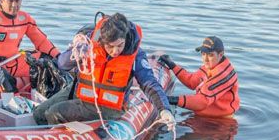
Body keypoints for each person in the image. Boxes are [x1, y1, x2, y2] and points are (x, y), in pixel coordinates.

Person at [33, 13, 174, 128]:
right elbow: (62, 64)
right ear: (102, 41)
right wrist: (76, 52)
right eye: (110, 46)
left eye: (119, 45)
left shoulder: (136, 55)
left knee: (54, 112)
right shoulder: (89, 44)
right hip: (81, 92)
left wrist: (164, 109)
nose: (115, 51)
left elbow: (149, 82)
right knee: (39, 113)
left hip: (108, 106)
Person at [157, 36, 240, 118]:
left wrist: (172, 100)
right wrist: (173, 66)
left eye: (210, 55)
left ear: (220, 54)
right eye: (203, 54)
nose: (205, 59)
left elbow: (203, 101)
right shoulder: (211, 66)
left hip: (220, 122)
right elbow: (192, 82)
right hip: (204, 116)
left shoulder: (222, 74)